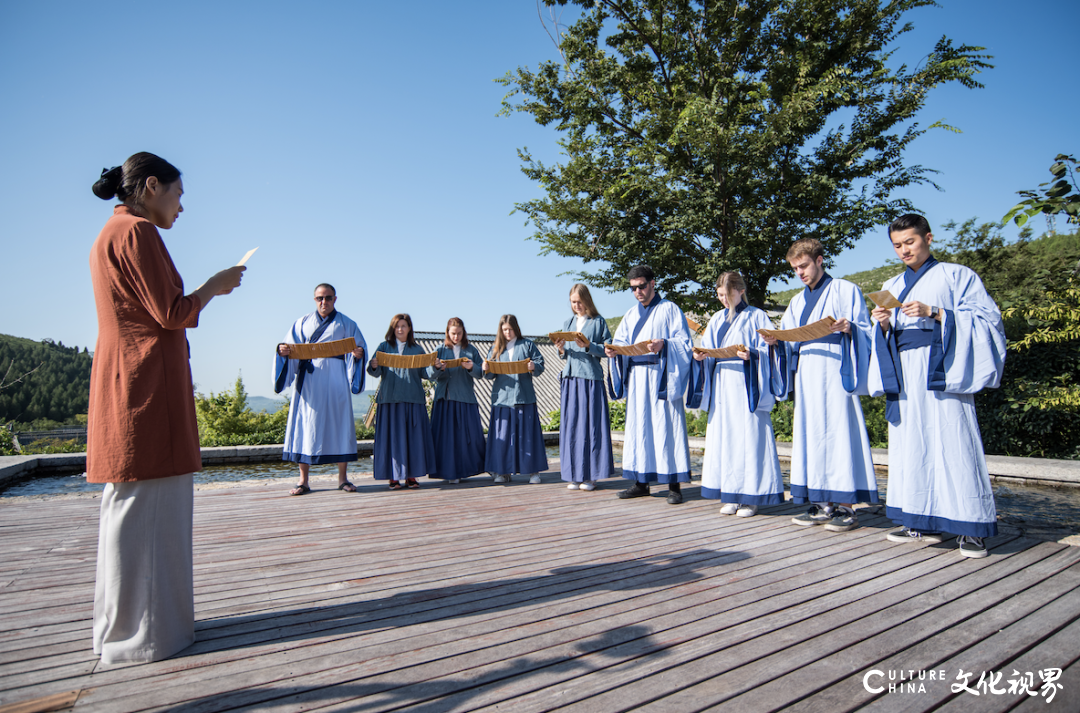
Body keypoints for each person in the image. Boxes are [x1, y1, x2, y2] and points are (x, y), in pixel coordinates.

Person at [88, 152, 245, 664]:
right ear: (151, 187)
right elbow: (171, 312)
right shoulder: (137, 233)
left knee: (130, 510)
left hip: (125, 378)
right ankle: (148, 637)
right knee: (153, 507)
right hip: (146, 384)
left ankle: (124, 628)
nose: (182, 205)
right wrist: (214, 287)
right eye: (177, 193)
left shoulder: (110, 235)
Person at [868, 214, 1006, 558]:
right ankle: (918, 519)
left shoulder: (957, 275)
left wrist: (938, 312)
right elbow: (889, 336)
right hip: (905, 373)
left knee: (955, 443)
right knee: (911, 445)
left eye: (910, 242)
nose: (904, 250)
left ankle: (970, 528)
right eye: (897, 245)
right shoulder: (892, 284)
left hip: (943, 366)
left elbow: (988, 320)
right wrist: (883, 324)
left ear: (928, 238)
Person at [762, 239, 878, 532]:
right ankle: (823, 503)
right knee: (812, 435)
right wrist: (777, 341)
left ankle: (846, 507)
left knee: (839, 433)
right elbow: (790, 337)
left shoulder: (844, 289)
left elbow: (865, 328)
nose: (799, 272)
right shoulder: (797, 301)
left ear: (819, 260)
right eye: (794, 268)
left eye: (803, 266)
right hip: (808, 372)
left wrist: (850, 328)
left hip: (836, 368)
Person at [689, 272, 784, 516]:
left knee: (748, 437)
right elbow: (708, 347)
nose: (723, 300)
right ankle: (730, 492)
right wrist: (700, 356)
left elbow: (767, 349)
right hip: (722, 384)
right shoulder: (717, 319)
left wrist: (752, 354)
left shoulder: (757, 316)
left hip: (746, 383)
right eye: (719, 295)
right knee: (725, 438)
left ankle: (750, 496)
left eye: (727, 294)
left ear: (740, 291)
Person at [605, 265, 693, 504]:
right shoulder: (631, 315)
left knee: (668, 427)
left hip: (662, 374)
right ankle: (641, 482)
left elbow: (684, 343)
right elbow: (621, 342)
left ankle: (674, 485)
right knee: (639, 427)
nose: (638, 292)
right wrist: (614, 352)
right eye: (633, 288)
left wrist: (664, 344)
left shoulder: (670, 309)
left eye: (641, 286)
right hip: (637, 378)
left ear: (653, 283)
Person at [274, 284, 367, 495]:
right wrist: (282, 351)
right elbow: (287, 347)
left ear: (335, 299)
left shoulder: (347, 323)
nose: (323, 302)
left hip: (336, 380)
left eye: (327, 298)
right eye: (319, 298)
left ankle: (342, 479)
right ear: (314, 299)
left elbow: (359, 346)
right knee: (305, 424)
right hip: (310, 381)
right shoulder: (302, 323)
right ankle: (303, 480)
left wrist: (358, 354)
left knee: (340, 424)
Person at [554, 284, 615, 491]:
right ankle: (574, 475)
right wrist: (561, 350)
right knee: (571, 428)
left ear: (587, 300)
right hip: (571, 378)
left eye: (579, 301)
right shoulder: (567, 323)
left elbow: (608, 349)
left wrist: (589, 346)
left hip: (590, 379)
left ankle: (591, 476)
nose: (576, 305)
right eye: (573, 302)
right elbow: (565, 356)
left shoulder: (598, 322)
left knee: (591, 427)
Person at [367, 313, 437, 489]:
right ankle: (393, 476)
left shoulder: (417, 349)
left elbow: (426, 375)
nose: (400, 329)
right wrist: (373, 365)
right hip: (389, 400)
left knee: (414, 439)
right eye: (397, 326)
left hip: (413, 400)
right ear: (392, 328)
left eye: (403, 326)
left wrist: (436, 367)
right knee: (392, 440)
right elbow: (375, 372)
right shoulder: (383, 347)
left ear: (409, 328)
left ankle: (412, 476)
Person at [483, 315, 549, 483]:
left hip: (524, 397)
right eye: (504, 330)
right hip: (502, 399)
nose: (508, 333)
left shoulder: (527, 345)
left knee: (528, 436)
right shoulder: (495, 348)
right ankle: (503, 472)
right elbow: (489, 375)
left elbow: (540, 364)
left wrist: (534, 366)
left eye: (510, 329)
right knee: (503, 438)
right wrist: (486, 368)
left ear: (516, 328)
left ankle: (534, 472)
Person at [426, 317, 486, 483]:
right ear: (447, 332)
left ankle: (473, 468)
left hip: (466, 398)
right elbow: (430, 376)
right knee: (446, 439)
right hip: (444, 399)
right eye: (453, 333)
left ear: (463, 332)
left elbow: (481, 372)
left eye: (459, 333)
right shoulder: (439, 350)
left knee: (471, 437)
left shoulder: (471, 350)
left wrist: (471, 367)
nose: (456, 337)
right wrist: (437, 368)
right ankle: (450, 473)